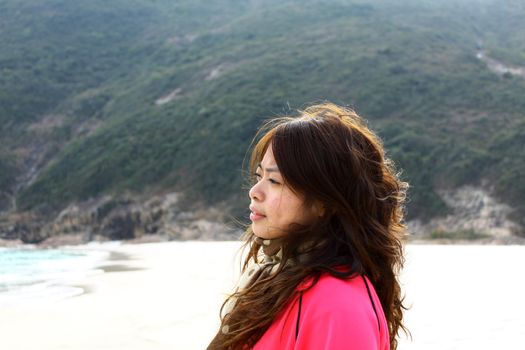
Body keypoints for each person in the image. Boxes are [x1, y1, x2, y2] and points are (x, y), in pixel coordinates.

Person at [207, 102, 409, 350]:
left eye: (274, 181)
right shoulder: (278, 281)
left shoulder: (336, 304)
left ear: (326, 201)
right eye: (259, 177)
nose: (255, 192)